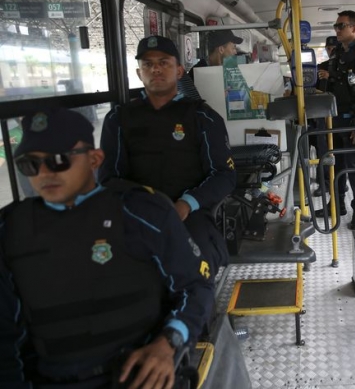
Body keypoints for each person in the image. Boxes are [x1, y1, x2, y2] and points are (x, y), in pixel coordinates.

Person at [0, 108, 212, 388]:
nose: (44, 173)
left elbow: (195, 287)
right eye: (31, 164)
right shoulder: (10, 230)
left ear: (95, 159)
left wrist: (169, 343)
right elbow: (5, 334)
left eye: (59, 160)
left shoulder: (142, 213)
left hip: (138, 377)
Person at [99, 35, 236, 296]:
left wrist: (186, 204)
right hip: (136, 214)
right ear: (139, 73)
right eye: (148, 65)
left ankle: (199, 326)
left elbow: (224, 175)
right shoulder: (119, 118)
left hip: (189, 214)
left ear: (179, 71)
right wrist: (146, 205)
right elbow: (108, 178)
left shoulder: (202, 117)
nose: (156, 69)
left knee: (195, 267)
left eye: (164, 62)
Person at [315, 11, 355, 231]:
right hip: (335, 121)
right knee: (337, 166)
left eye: (341, 26)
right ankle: (337, 204)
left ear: (354, 28)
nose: (337, 29)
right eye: (336, 26)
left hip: (353, 122)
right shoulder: (338, 57)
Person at [312, 35, 339, 198]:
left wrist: (332, 77)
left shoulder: (343, 68)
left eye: (334, 48)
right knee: (323, 151)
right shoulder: (320, 67)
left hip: (339, 115)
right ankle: (325, 184)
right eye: (328, 48)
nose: (331, 51)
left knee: (338, 152)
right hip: (323, 115)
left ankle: (338, 183)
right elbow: (312, 88)